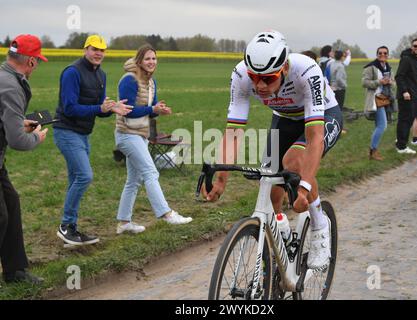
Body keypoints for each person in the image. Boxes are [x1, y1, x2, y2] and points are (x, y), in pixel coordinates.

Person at [204, 31, 343, 270]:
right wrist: (221, 178)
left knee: (293, 160)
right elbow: (233, 131)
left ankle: (320, 225)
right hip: (285, 118)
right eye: (254, 77)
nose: (260, 86)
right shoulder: (240, 76)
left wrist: (304, 187)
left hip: (322, 116)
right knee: (270, 183)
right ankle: (281, 233)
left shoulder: (306, 70)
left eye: (268, 79)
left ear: (285, 68)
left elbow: (314, 137)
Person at [53, 35, 132, 246]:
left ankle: (70, 228)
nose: (98, 53)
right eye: (94, 49)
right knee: (85, 176)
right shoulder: (72, 72)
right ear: (85, 50)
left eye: (102, 50)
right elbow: (69, 107)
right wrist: (100, 108)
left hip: (83, 134)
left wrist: (111, 109)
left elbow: (100, 109)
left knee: (75, 179)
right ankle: (65, 227)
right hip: (66, 131)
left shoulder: (101, 75)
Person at [115, 44, 192, 234]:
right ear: (139, 61)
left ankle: (124, 223)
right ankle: (166, 214)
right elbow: (128, 111)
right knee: (151, 172)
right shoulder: (129, 80)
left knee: (134, 180)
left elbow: (151, 109)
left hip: (141, 135)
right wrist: (152, 109)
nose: (151, 62)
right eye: (148, 59)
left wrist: (159, 110)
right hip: (126, 134)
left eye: (154, 59)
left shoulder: (151, 82)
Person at [0, 34, 48, 284]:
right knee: (1, 216)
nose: (37, 66)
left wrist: (19, 124)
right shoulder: (10, 86)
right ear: (30, 61)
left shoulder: (5, 77)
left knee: (12, 202)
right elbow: (18, 142)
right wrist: (36, 138)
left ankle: (15, 271)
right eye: (37, 61)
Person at [362, 46, 395, 161]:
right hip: (375, 100)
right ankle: (372, 150)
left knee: (378, 125)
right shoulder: (371, 67)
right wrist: (379, 81)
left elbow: (393, 82)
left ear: (388, 55)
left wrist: (390, 82)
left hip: (385, 99)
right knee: (382, 126)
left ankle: (374, 151)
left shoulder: (388, 67)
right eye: (380, 53)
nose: (383, 55)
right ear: (377, 55)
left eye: (385, 53)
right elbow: (364, 82)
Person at [395, 38, 417, 154]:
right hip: (406, 96)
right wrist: (404, 91)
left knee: (408, 119)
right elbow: (399, 76)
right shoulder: (406, 59)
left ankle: (400, 141)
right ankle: (401, 147)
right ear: (411, 46)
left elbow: (414, 79)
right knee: (405, 120)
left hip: (413, 94)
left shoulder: (416, 60)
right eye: (415, 46)